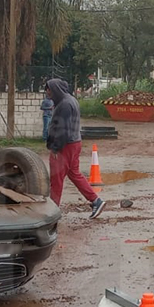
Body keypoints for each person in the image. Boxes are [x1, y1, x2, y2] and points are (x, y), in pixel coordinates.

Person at [45, 77, 105, 218]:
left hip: (65, 145)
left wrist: (56, 148)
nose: (47, 92)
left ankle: (52, 211)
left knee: (56, 178)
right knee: (74, 174)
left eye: (49, 89)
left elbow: (63, 129)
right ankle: (96, 201)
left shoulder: (65, 105)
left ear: (55, 89)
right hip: (75, 143)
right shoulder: (71, 100)